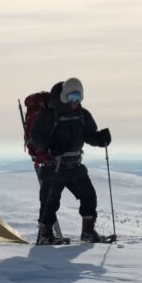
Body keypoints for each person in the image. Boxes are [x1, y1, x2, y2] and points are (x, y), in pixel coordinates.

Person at [25, 77, 112, 244]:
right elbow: (36, 137)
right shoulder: (50, 114)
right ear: (65, 96)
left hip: (74, 167)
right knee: (49, 202)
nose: (75, 101)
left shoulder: (82, 115)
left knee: (89, 196)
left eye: (78, 97)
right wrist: (50, 148)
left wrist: (101, 139)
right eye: (72, 97)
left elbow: (89, 135)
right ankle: (46, 235)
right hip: (53, 166)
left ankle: (87, 232)